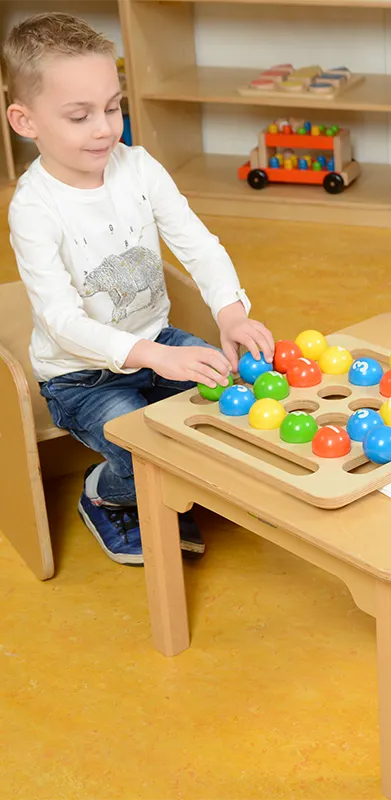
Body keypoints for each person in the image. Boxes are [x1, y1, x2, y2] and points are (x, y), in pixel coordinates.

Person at [4, 13, 274, 566]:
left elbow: (198, 244)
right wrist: (152, 356)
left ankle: (161, 482)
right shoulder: (33, 208)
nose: (104, 128)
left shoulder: (140, 167)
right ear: (24, 120)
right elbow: (61, 319)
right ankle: (108, 492)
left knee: (225, 410)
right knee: (140, 440)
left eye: (112, 106)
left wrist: (229, 312)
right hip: (80, 375)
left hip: (154, 339)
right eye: (79, 116)